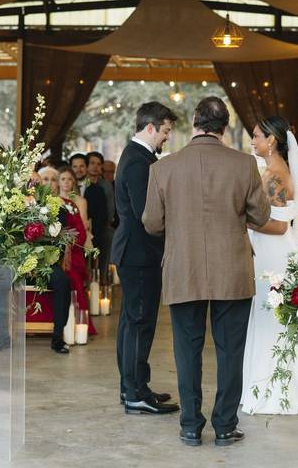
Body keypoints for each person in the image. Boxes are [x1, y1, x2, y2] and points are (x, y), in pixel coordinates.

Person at [142, 97, 286, 448]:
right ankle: (224, 426)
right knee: (230, 351)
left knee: (186, 351)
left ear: (195, 121)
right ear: (225, 126)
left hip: (182, 268)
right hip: (233, 270)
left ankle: (190, 426)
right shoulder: (244, 165)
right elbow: (259, 217)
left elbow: (151, 223)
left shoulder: (163, 167)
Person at [112, 102, 180, 415]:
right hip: (139, 253)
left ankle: (133, 387)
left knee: (132, 323)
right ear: (150, 127)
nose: (167, 137)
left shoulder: (136, 156)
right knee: (140, 323)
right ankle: (135, 392)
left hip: (134, 251)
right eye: (165, 131)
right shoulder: (139, 161)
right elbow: (147, 215)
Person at [240, 116, 298, 416]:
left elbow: (280, 226)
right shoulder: (272, 170)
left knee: (274, 318)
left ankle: (277, 388)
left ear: (271, 140)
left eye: (256, 136)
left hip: (274, 255)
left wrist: (242, 220)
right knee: (273, 318)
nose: (252, 140)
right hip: (270, 252)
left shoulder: (275, 175)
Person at [35, 165, 89, 354]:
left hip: (47, 263)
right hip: (24, 261)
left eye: (53, 179)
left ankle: (57, 337)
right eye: (46, 179)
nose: (50, 183)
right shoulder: (26, 203)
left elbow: (62, 241)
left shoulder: (61, 210)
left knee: (63, 281)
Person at [87, 151, 116, 282]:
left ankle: (104, 276)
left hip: (101, 224)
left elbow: (110, 210)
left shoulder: (106, 185)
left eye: (98, 164)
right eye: (92, 163)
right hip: (84, 223)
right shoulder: (81, 183)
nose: (95, 167)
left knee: (109, 234)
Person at [58, 167, 90, 234]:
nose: (66, 182)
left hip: (79, 234)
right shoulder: (53, 199)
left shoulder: (81, 201)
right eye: (63, 179)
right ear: (58, 182)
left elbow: (84, 224)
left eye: (69, 179)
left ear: (73, 181)